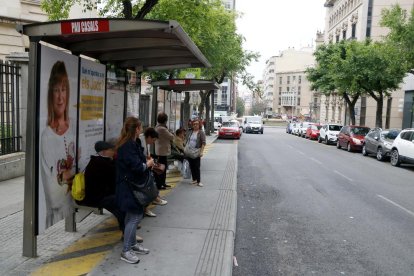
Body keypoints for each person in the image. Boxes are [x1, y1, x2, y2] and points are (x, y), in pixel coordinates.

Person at [77, 141, 143, 243]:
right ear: (103, 152)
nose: (113, 152)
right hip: (97, 197)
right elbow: (114, 180)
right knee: (122, 206)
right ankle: (127, 233)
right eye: (111, 150)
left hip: (102, 194)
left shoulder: (101, 160)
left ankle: (129, 225)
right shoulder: (101, 163)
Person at [40, 61, 76, 229]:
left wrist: (66, 177)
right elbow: (53, 195)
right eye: (56, 90)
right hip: (55, 219)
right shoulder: (46, 136)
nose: (60, 97)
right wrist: (72, 177)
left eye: (63, 89)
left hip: (73, 206)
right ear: (50, 94)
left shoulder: (74, 127)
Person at [115, 117, 152, 264]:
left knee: (131, 216)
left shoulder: (131, 143)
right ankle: (126, 251)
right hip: (128, 187)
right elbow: (137, 167)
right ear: (136, 129)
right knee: (135, 216)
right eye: (140, 127)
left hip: (130, 186)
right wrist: (148, 163)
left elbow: (137, 161)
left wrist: (145, 160)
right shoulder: (127, 146)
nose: (142, 129)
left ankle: (132, 245)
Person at [137, 128, 168, 218]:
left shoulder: (143, 140)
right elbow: (139, 156)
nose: (153, 142)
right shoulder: (139, 140)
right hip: (140, 169)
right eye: (153, 140)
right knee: (148, 184)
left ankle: (154, 199)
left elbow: (144, 155)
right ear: (149, 137)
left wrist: (149, 158)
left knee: (150, 182)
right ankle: (154, 199)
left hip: (144, 168)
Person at [154, 112, 174, 190]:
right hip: (162, 151)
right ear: (165, 120)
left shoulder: (158, 127)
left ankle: (163, 183)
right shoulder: (162, 129)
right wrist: (171, 132)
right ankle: (160, 184)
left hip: (161, 151)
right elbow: (171, 137)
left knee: (163, 168)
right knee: (161, 169)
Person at [185, 119, 206, 187]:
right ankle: (194, 179)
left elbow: (203, 143)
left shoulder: (201, 132)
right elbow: (188, 141)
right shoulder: (191, 132)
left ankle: (199, 181)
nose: (195, 125)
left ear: (199, 124)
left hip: (196, 151)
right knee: (191, 166)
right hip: (190, 151)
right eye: (194, 124)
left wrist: (201, 152)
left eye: (197, 124)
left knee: (197, 166)